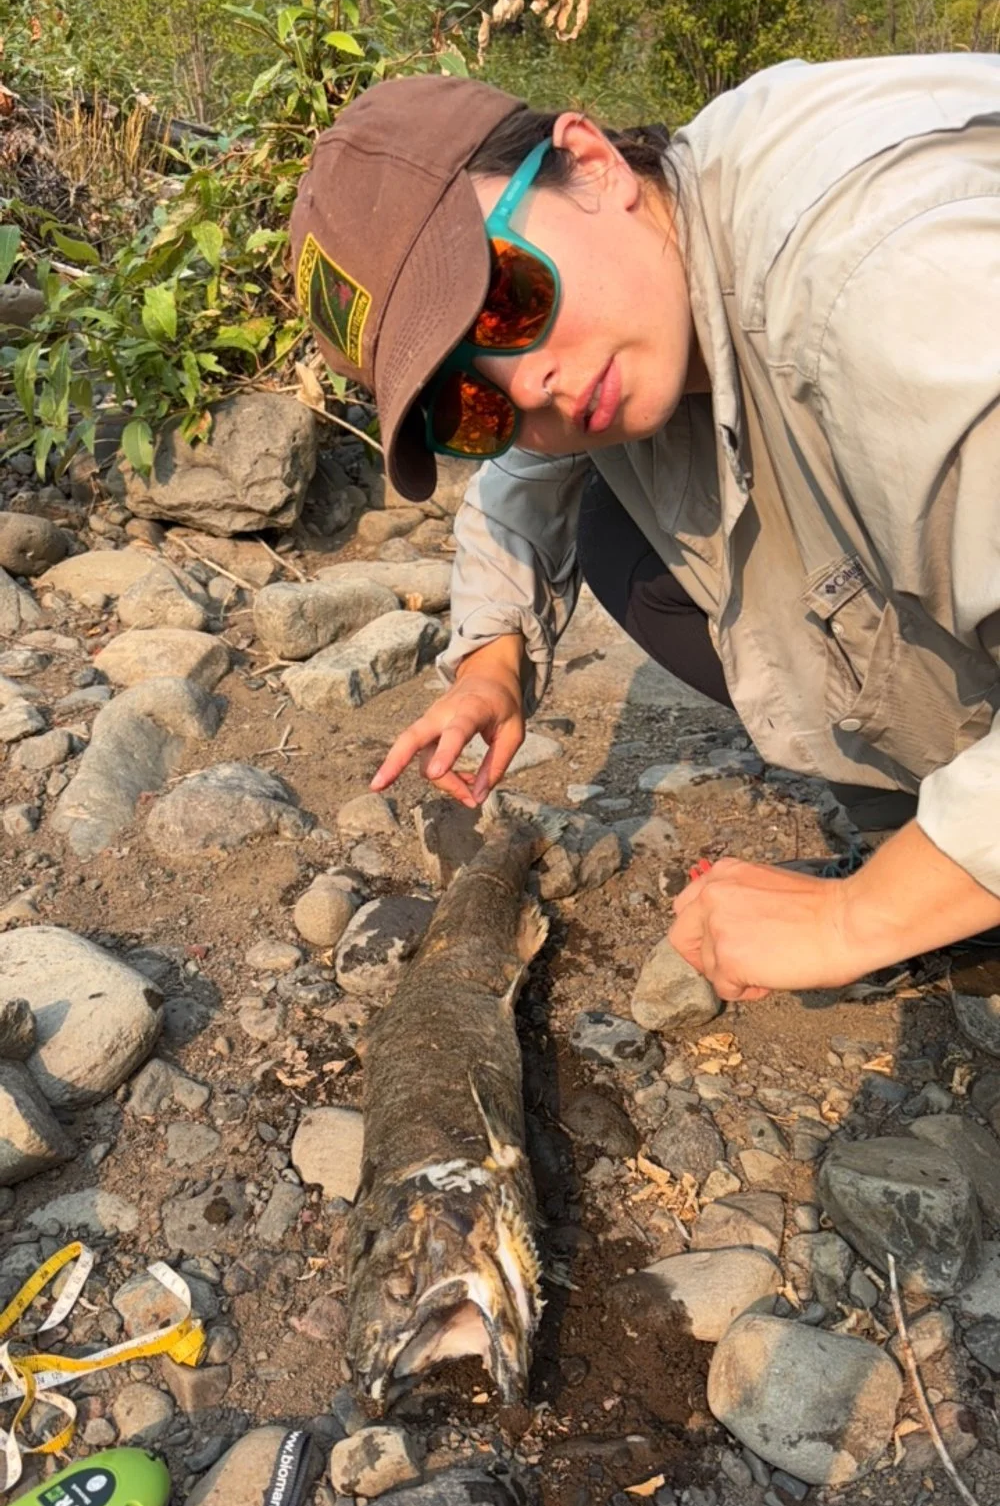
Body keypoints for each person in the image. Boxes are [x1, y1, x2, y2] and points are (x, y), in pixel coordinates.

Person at [289, 54, 1000, 1003]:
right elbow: (521, 482)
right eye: (468, 405)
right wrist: (492, 665)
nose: (525, 388)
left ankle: (953, 871)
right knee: (615, 529)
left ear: (588, 161)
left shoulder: (886, 286)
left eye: (506, 303)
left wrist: (856, 918)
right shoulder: (656, 248)